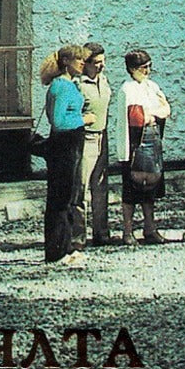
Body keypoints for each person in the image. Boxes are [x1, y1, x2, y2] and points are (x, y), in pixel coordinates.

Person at [40, 44, 94, 268]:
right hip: (64, 145)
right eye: (78, 60)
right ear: (66, 62)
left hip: (72, 144)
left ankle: (66, 246)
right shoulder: (60, 87)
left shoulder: (70, 84)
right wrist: (85, 120)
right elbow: (59, 122)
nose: (82, 63)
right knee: (60, 199)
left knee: (69, 197)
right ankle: (55, 251)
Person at [117, 48, 171, 247]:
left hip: (153, 138)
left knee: (151, 188)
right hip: (135, 142)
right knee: (132, 189)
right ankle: (128, 231)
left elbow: (166, 109)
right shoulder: (127, 89)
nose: (147, 70)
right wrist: (151, 113)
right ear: (132, 69)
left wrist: (152, 113)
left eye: (149, 66)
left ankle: (150, 228)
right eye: (143, 67)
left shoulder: (152, 86)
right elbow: (136, 118)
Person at [72, 42, 114, 248]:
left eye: (102, 62)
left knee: (100, 187)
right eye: (96, 63)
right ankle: (78, 236)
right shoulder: (78, 84)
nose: (100, 67)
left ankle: (101, 233)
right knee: (81, 187)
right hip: (85, 138)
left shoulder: (104, 81)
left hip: (102, 137)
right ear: (85, 64)